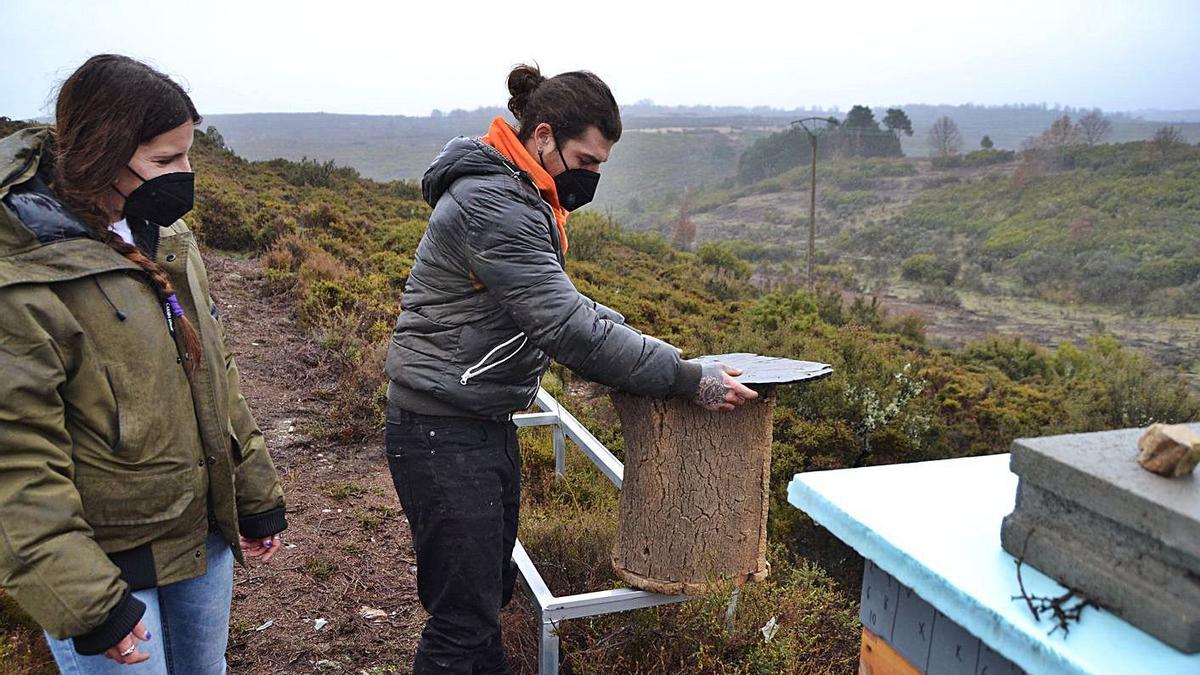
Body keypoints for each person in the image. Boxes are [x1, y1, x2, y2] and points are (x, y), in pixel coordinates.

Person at [383, 63, 758, 673]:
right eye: (586, 161)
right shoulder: (495, 203)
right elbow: (565, 327)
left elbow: (566, 303)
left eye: (602, 165)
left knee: (487, 597)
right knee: (462, 623)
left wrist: (653, 349)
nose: (592, 176)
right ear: (543, 137)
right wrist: (688, 379)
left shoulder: (522, 192)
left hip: (475, 420)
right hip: (442, 432)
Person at [0, 54, 287, 673]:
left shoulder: (164, 235)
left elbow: (214, 369)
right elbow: (15, 462)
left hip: (200, 539)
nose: (183, 175)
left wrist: (252, 487)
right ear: (101, 153)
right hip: (106, 564)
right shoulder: (21, 275)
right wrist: (87, 602)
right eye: (163, 161)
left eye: (188, 155)